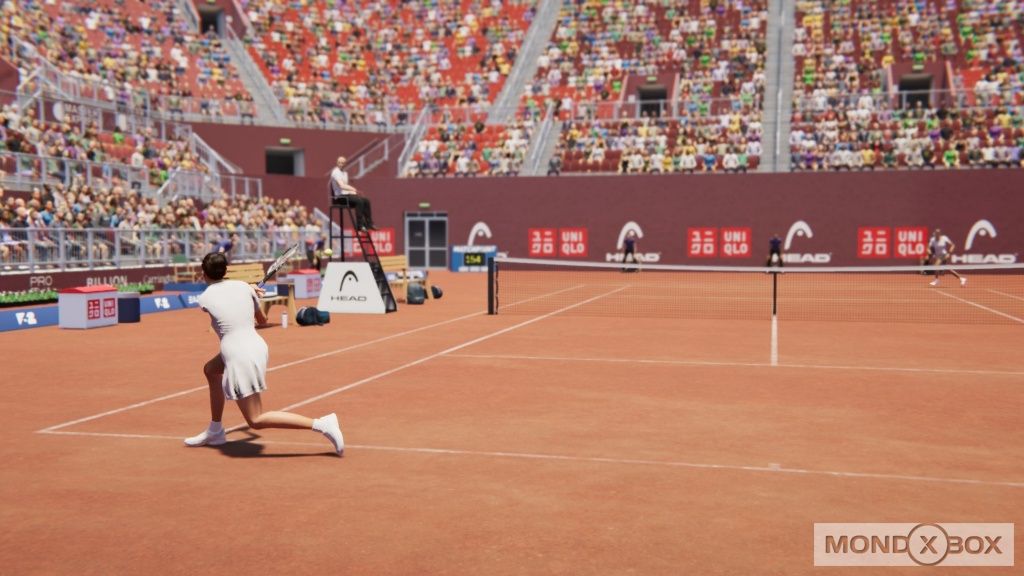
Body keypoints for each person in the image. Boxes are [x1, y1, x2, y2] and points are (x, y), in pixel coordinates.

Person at [184, 252, 345, 455]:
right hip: (255, 346)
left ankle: (322, 424)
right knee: (211, 370)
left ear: (204, 273)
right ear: (225, 270)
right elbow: (262, 321)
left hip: (239, 355)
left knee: (256, 419)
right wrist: (250, 294)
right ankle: (215, 430)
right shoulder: (244, 287)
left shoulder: (205, 298)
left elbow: (222, 302)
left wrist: (248, 292)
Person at [329, 156, 375, 230]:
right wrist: (353, 189)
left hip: (346, 195)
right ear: (337, 163)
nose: (341, 164)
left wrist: (353, 192)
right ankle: (359, 225)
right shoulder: (335, 172)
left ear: (345, 164)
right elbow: (342, 186)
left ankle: (369, 224)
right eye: (339, 162)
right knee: (359, 201)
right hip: (340, 198)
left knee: (366, 201)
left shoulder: (345, 173)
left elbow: (346, 188)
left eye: (342, 163)